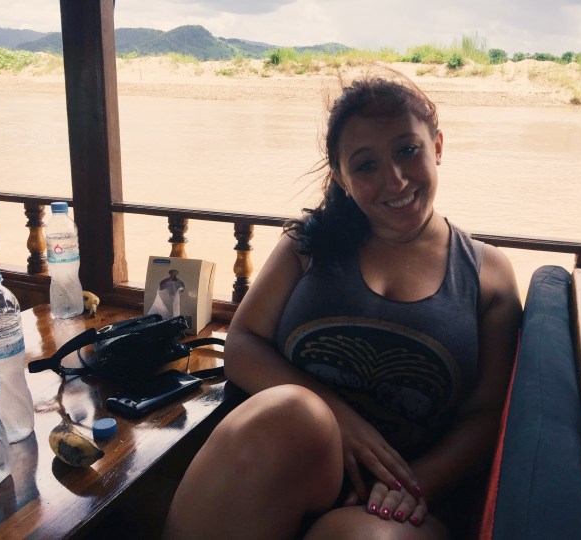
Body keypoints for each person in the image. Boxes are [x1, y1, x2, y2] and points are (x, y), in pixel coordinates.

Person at [163, 69, 522, 540]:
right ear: (342, 178)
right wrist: (340, 421)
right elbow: (243, 345)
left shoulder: (487, 276)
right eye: (366, 165)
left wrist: (411, 485)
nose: (394, 180)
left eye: (407, 150)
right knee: (293, 411)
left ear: (437, 145)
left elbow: (486, 414)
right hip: (285, 466)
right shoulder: (306, 245)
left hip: (396, 501)